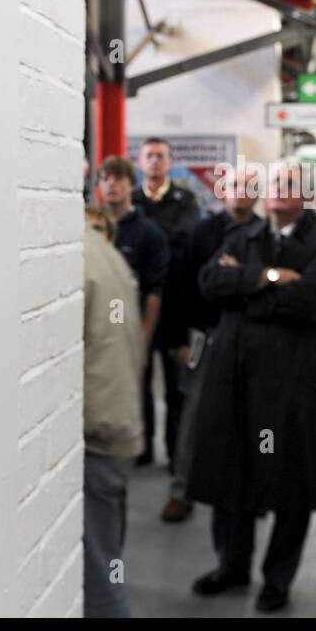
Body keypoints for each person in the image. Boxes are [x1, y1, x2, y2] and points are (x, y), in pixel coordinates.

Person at [186, 161, 316, 612]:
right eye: (275, 182)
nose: (279, 189)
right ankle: (232, 565)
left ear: (307, 196)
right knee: (232, 470)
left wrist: (246, 292)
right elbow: (209, 282)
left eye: (290, 184)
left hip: (295, 380)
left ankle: (277, 578)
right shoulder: (243, 236)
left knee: (291, 481)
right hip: (238, 375)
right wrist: (269, 277)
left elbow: (315, 299)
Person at [159, 166, 261, 523]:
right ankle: (181, 491)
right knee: (194, 417)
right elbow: (179, 288)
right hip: (206, 336)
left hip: (252, 340)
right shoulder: (203, 233)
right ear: (222, 191)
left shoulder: (265, 236)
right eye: (234, 185)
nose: (240, 191)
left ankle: (246, 491)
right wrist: (178, 339)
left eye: (248, 186)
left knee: (250, 418)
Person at [81, 206, 145, 617]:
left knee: (101, 584)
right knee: (108, 566)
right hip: (115, 425)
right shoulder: (104, 252)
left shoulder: (71, 254)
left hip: (96, 435)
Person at [132, 138, 201, 469]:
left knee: (177, 387)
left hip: (175, 307)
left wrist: (143, 236)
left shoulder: (185, 200)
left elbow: (186, 236)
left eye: (161, 156)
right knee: (138, 381)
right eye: (150, 156)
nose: (155, 161)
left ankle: (176, 451)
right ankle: (142, 447)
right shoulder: (132, 199)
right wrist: (161, 237)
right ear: (140, 162)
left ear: (170, 162)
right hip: (138, 307)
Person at [98, 156, 169, 459]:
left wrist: (144, 336)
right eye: (106, 179)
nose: (112, 184)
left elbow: (155, 291)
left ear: (130, 184)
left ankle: (143, 448)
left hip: (132, 325)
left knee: (138, 388)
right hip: (99, 328)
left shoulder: (148, 233)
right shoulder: (92, 227)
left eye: (118, 178)